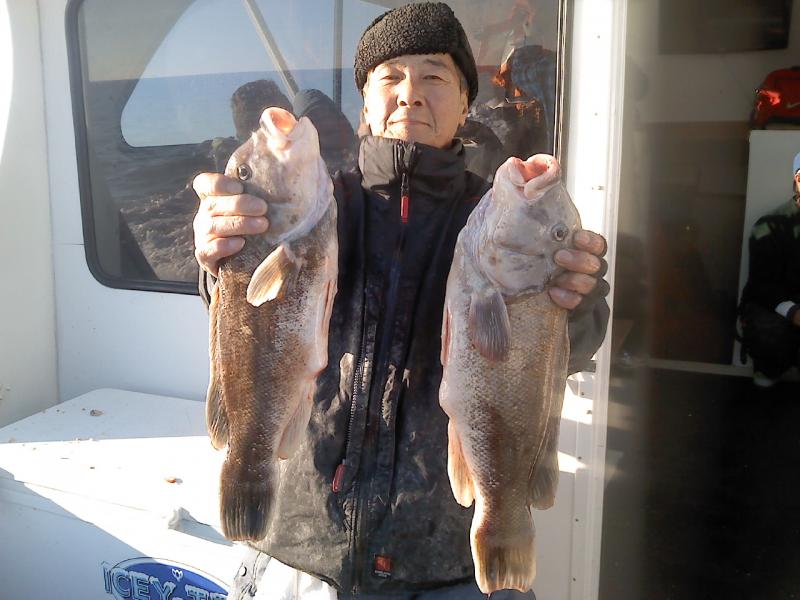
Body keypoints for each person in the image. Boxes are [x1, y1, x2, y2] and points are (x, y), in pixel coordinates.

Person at [192, 3, 610, 598]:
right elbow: (246, 321)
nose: (410, 93)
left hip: (448, 562)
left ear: (465, 104)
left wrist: (577, 303)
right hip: (302, 553)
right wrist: (221, 259)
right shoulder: (318, 203)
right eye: (389, 77)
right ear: (365, 103)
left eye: (434, 76)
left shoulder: (498, 221)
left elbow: (558, 354)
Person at [739, 152, 800, 388]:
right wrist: (794, 312)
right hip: (775, 311)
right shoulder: (769, 225)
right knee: (769, 332)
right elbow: (761, 286)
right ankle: (767, 371)